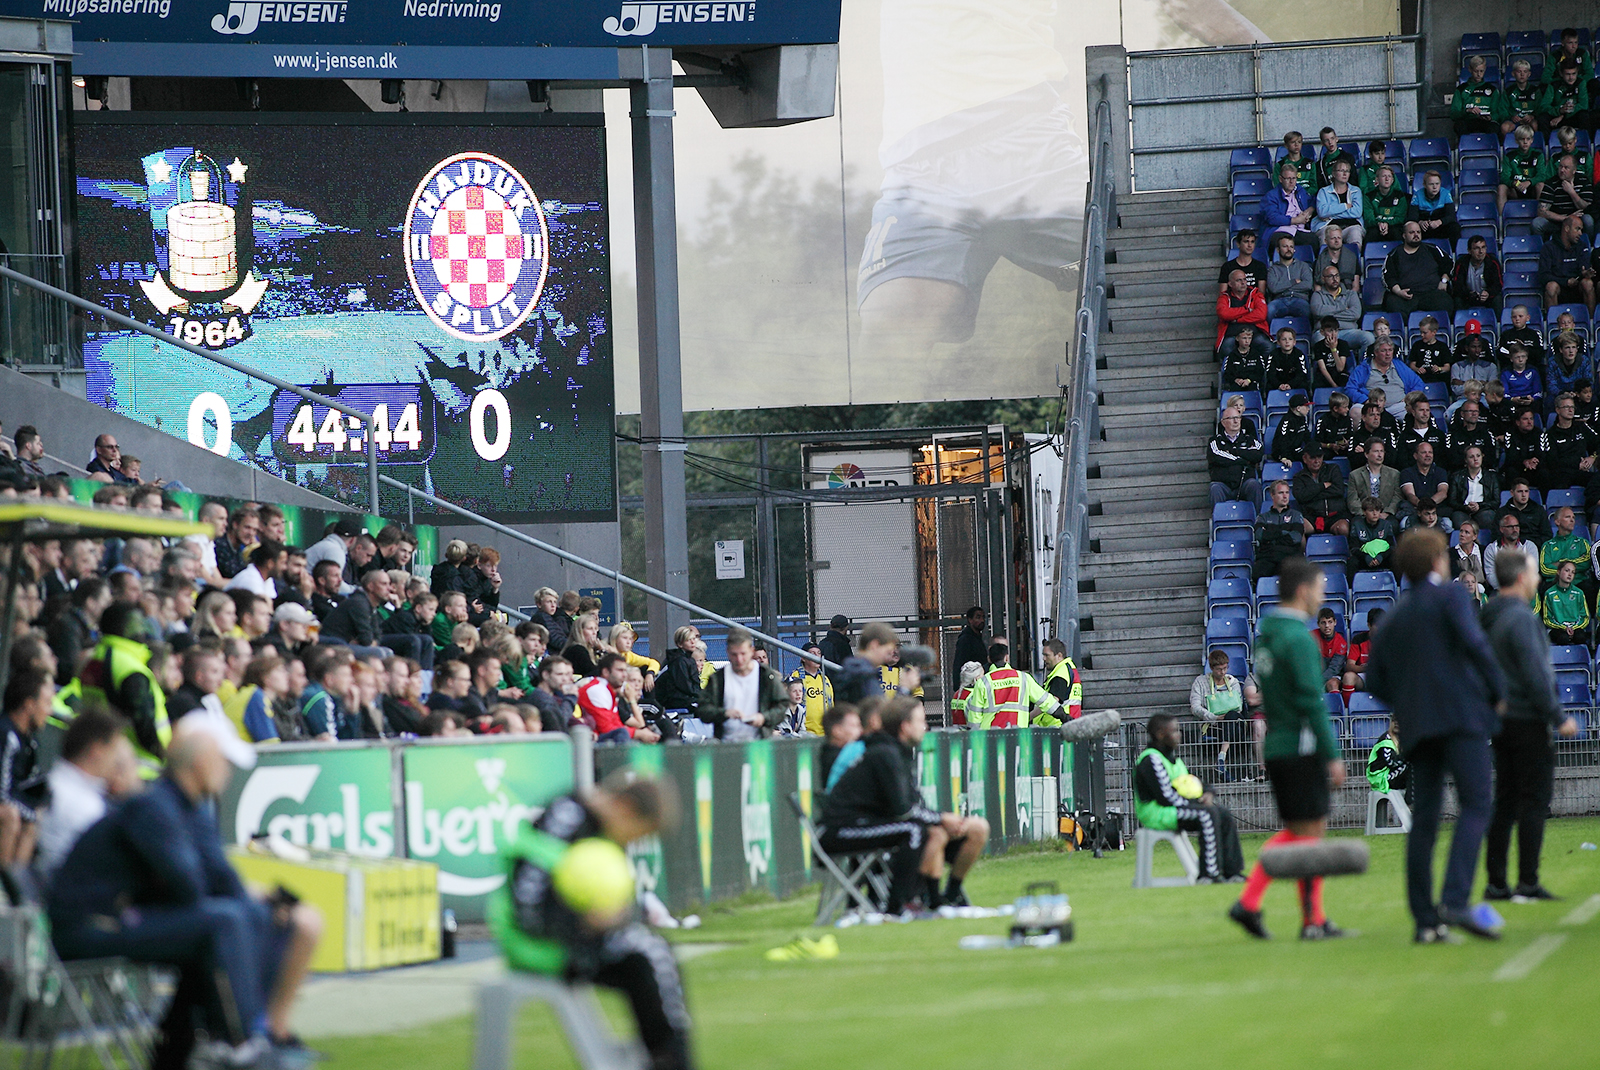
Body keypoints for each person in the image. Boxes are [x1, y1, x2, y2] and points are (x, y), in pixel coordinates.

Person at [49, 719, 323, 1070]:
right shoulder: (156, 806)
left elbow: (219, 881)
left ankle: (187, 1049)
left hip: (118, 918)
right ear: (200, 763)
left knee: (249, 915)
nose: (228, 770)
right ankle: (241, 1043)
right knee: (224, 921)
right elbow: (188, 885)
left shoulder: (187, 808)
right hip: (89, 927)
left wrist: (263, 903)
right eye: (223, 761)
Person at [491, 774, 693, 1069]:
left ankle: (662, 1056)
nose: (634, 841)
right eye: (640, 834)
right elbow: (528, 901)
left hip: (564, 940)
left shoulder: (596, 829)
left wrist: (612, 919)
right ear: (624, 807)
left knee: (649, 954)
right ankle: (672, 1061)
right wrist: (586, 924)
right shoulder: (566, 818)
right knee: (650, 952)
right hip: (535, 944)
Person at [1366, 529, 1507, 942]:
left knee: (1424, 820)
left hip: (1419, 727)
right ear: (1438, 562)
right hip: (1461, 719)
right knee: (1477, 803)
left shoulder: (1395, 615)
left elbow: (1374, 679)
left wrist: (1408, 702)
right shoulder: (1450, 598)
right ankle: (1456, 899)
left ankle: (1425, 921)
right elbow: (1476, 645)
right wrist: (1498, 692)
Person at [818, 696, 988, 912]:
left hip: (869, 825)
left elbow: (909, 805)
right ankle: (898, 907)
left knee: (969, 828)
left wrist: (941, 819)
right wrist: (942, 818)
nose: (926, 727)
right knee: (914, 830)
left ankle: (945, 897)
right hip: (840, 830)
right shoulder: (884, 753)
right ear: (905, 726)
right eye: (921, 720)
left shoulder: (896, 752)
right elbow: (904, 810)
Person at [1482, 546, 1580, 902]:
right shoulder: (1522, 619)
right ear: (1522, 578)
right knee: (1535, 800)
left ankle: (1496, 881)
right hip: (1527, 719)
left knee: (1505, 800)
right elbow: (1535, 673)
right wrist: (1558, 716)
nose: (1538, 579)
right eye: (1535, 574)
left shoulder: (1487, 617)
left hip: (1499, 721)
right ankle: (1527, 880)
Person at [1135, 712, 1244, 884]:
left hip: (1172, 808)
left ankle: (1233, 872)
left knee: (1222, 813)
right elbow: (1165, 797)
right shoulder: (1151, 760)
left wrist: (1206, 792)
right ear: (1160, 734)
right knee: (1207, 814)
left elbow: (1190, 785)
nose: (1179, 735)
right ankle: (1208, 874)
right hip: (1156, 813)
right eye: (1175, 731)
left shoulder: (1173, 760)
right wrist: (1198, 804)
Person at [36, 704, 137, 876]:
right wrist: (132, 787)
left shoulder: (57, 783)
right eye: (114, 752)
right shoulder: (86, 807)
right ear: (97, 751)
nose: (116, 762)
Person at [700, 628, 788, 740]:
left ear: (752, 651)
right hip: (726, 742)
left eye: (743, 654)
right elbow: (703, 710)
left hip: (759, 741)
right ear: (727, 652)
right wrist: (724, 713)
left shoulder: (766, 676)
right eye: (734, 654)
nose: (739, 659)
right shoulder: (718, 678)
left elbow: (782, 705)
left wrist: (764, 718)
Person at [963, 642, 1062, 728]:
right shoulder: (1024, 678)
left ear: (989, 659)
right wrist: (1066, 717)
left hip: (990, 740)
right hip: (1017, 738)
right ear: (1007, 658)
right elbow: (1047, 702)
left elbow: (974, 718)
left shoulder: (983, 682)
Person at [1192, 648, 1247, 781]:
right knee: (1232, 724)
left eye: (1225, 668)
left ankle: (1222, 757)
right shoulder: (1200, 682)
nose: (1222, 672)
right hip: (1214, 724)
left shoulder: (1233, 682)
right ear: (1211, 667)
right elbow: (1195, 707)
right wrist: (1214, 717)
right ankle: (1224, 765)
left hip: (1234, 720)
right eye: (1219, 669)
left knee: (1232, 716)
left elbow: (1239, 706)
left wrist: (1225, 716)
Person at [1382, 221, 1454, 317]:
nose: (1416, 235)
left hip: (1431, 293)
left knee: (1446, 302)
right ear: (1404, 235)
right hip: (1406, 296)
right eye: (1412, 232)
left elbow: (1449, 264)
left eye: (1418, 232)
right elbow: (1388, 277)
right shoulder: (1394, 254)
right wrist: (1399, 292)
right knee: (1392, 303)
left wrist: (1444, 280)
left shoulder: (1432, 249)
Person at [1343, 341, 1424, 413]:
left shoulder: (1400, 365)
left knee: (1416, 410)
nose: (1388, 354)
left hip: (1398, 407)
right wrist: (1365, 400)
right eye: (1383, 351)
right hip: (1371, 407)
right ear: (1376, 352)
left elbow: (1418, 383)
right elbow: (1350, 389)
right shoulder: (1363, 368)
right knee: (1355, 411)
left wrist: (1408, 397)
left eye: (1390, 350)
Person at [1539, 214, 1596, 316]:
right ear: (1566, 228)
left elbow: (1584, 268)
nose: (1580, 233)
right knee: (1551, 286)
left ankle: (1590, 322)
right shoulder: (1548, 247)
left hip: (1577, 287)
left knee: (1588, 283)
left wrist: (1585, 273)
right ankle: (1554, 324)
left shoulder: (1582, 246)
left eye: (1581, 230)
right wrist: (1565, 281)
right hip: (1559, 287)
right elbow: (1543, 275)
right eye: (1577, 229)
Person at [1208, 404, 1263, 506]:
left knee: (1254, 485)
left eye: (1237, 418)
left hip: (1245, 483)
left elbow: (1258, 454)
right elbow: (1216, 457)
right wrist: (1244, 459)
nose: (1236, 421)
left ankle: (1257, 520)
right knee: (1214, 488)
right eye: (1231, 418)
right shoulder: (1215, 441)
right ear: (1223, 422)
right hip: (1223, 484)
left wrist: (1234, 451)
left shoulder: (1249, 439)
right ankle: (1220, 520)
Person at [1534, 151, 1595, 238]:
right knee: (1537, 223)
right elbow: (1541, 212)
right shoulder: (1551, 183)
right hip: (1557, 222)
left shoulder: (1583, 180)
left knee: (1588, 219)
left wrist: (1572, 192)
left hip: (1578, 221)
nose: (1562, 170)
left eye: (1566, 168)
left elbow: (1587, 207)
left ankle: (1589, 247)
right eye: (1560, 167)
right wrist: (1565, 218)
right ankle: (1545, 249)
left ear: (1574, 170)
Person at [1216, 269, 1269, 358]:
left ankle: (1262, 370)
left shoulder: (1256, 294)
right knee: (1225, 348)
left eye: (1244, 279)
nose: (1243, 283)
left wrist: (1237, 319)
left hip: (1254, 334)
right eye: (1238, 280)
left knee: (1268, 347)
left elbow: (1261, 315)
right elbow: (1224, 314)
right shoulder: (1224, 297)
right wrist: (1246, 310)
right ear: (1230, 284)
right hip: (1232, 335)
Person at [1261, 161, 1316, 245]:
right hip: (1280, 230)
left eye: (1294, 178)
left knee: (1314, 239)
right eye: (1288, 178)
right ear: (1280, 179)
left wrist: (1309, 211)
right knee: (1283, 242)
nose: (1291, 182)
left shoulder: (1300, 191)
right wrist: (1295, 220)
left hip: (1300, 229)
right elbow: (1272, 218)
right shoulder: (1271, 196)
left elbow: (1313, 200)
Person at [1500, 124, 1551, 213]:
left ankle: (1541, 215)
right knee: (1501, 187)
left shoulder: (1538, 155)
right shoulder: (1509, 156)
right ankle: (1501, 218)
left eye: (1528, 139)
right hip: (1516, 189)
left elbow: (1542, 175)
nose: (1525, 142)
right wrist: (1513, 183)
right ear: (1516, 140)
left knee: (1541, 185)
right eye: (1522, 139)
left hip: (1532, 189)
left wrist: (1529, 182)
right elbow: (1504, 177)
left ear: (1532, 140)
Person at [1314, 159, 1364, 248]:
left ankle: (1354, 260)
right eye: (1341, 170)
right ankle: (1327, 261)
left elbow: (1357, 212)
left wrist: (1331, 213)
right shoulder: (1323, 191)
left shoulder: (1356, 191)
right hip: (1328, 226)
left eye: (1347, 171)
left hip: (1351, 226)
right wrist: (1345, 206)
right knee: (1326, 236)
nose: (1345, 174)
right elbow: (1322, 212)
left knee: (1355, 234)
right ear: (1333, 173)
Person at [786, 644, 833, 736]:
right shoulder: (796, 676)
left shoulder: (825, 679)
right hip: (804, 732)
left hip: (825, 732)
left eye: (819, 653)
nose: (817, 656)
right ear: (803, 658)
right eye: (812, 653)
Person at [1448, 447, 1499, 531]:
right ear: (1466, 460)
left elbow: (1496, 501)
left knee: (1488, 518)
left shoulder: (1492, 477)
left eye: (1478, 456)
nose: (1475, 459)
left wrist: (1479, 505)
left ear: (1482, 457)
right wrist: (1465, 507)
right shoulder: (1456, 476)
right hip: (1462, 510)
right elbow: (1452, 501)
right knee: (1459, 523)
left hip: (1483, 509)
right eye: (1471, 457)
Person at [1452, 54, 1501, 136]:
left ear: (1485, 70)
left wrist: (1491, 117)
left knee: (1494, 128)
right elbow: (1453, 113)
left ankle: (1491, 147)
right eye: (1476, 71)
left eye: (1481, 71)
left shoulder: (1492, 90)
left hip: (1486, 122)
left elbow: (1497, 112)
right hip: (1468, 120)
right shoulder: (1461, 89)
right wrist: (1467, 111)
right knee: (1459, 126)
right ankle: (1465, 147)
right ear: (1470, 70)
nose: (1479, 74)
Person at [1265, 233, 1312, 318]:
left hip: (1300, 299)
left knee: (1307, 311)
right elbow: (1274, 289)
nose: (1289, 249)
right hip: (1279, 300)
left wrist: (1282, 286)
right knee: (1269, 310)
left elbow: (1308, 285)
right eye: (1285, 246)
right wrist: (1293, 282)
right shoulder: (1273, 269)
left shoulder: (1303, 266)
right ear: (1278, 250)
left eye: (1291, 247)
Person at [1407, 170, 1459, 244]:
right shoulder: (1417, 195)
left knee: (1454, 227)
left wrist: (1439, 222)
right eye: (1431, 184)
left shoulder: (1446, 194)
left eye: (1437, 184)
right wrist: (1420, 222)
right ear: (1424, 185)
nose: (1435, 187)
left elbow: (1451, 216)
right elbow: (1412, 216)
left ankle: (1452, 252)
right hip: (1424, 228)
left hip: (1440, 226)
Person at [1366, 718, 1411, 801]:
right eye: (1394, 720)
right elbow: (1391, 762)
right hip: (1382, 779)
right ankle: (1410, 801)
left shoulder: (1402, 739)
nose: (1396, 723)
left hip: (1391, 775)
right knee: (1410, 765)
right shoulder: (1386, 740)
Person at [1363, 164, 1408, 242]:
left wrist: (1386, 223)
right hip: (1376, 227)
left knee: (1397, 234)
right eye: (1384, 176)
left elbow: (1400, 218)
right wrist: (1379, 224)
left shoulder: (1400, 195)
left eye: (1389, 176)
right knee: (1371, 235)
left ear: (1393, 180)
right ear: (1377, 179)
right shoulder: (1369, 196)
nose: (1387, 179)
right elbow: (1369, 219)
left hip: (1394, 227)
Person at [1040, 637, 1082, 720]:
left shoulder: (1061, 673)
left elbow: (1050, 703)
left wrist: (1029, 717)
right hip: (1069, 722)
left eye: (1047, 655)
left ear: (1059, 655)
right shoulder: (1069, 668)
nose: (1044, 659)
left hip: (1059, 725)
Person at [1218, 228, 1268, 293]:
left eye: (1252, 242)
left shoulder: (1260, 266)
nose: (1250, 245)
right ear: (1238, 244)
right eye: (1246, 241)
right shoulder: (1227, 267)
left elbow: (1261, 293)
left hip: (1254, 301)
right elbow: (1223, 294)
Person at [818, 615, 852, 681]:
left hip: (824, 683)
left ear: (830, 626)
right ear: (846, 627)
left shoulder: (822, 643)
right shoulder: (843, 645)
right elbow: (849, 668)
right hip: (839, 685)